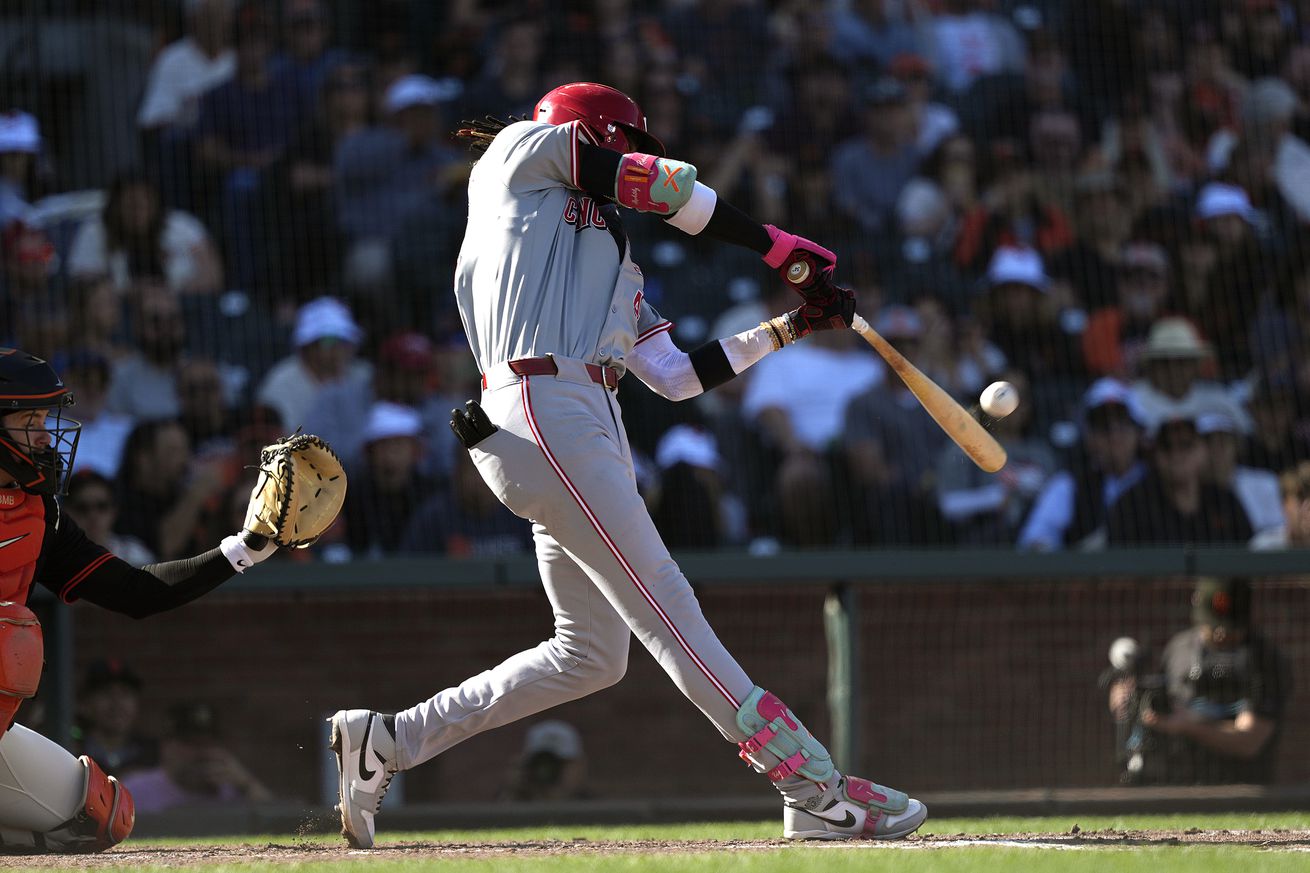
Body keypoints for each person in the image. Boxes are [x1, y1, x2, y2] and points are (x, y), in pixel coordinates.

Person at [329, 82, 927, 848]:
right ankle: (812, 787)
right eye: (620, 143)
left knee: (590, 654)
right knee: (669, 606)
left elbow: (676, 376)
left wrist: (790, 324)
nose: (627, 158)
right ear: (593, 133)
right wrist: (778, 246)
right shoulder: (519, 153)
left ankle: (389, 740)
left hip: (582, 423)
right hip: (543, 402)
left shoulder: (608, 254)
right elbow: (668, 183)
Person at [0, 348, 313, 853]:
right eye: (29, 419)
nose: (44, 434)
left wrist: (247, 548)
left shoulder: (41, 512)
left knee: (101, 818)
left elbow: (136, 592)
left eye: (45, 418)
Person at [1106, 578, 1289, 784]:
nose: (1221, 633)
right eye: (1213, 626)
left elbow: (1248, 741)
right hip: (1179, 785)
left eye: (1230, 628)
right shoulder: (1180, 648)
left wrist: (1187, 725)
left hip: (1241, 790)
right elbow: (1159, 704)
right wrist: (1131, 701)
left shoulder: (1263, 659)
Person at [1018, 379, 1147, 551]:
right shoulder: (1069, 486)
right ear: (1088, 437)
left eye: (1122, 424)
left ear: (1138, 431)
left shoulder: (1160, 479)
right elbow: (1032, 547)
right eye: (1103, 426)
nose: (1114, 435)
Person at [1106, 412, 1254, 546]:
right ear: (1155, 455)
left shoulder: (1224, 500)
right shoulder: (1131, 506)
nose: (1177, 455)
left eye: (1186, 445)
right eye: (1167, 447)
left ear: (1202, 451)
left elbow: (1248, 554)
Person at [67, 172, 223, 296]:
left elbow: (213, 277)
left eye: (144, 203)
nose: (138, 212)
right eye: (130, 205)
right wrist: (131, 292)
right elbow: (82, 283)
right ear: (116, 206)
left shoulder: (183, 226)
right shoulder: (94, 231)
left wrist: (168, 293)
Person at [122, 702, 272, 814]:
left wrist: (247, 785)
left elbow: (276, 824)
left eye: (208, 743)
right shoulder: (135, 790)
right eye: (190, 743)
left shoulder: (233, 789)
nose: (201, 752)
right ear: (166, 747)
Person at [69, 660, 157, 779]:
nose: (117, 703)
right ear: (86, 703)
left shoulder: (153, 755)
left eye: (125, 694)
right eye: (106, 693)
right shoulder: (70, 752)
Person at [497, 720, 589, 802]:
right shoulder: (513, 806)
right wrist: (511, 791)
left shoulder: (593, 809)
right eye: (540, 763)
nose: (548, 770)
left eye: (560, 763)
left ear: (580, 766)